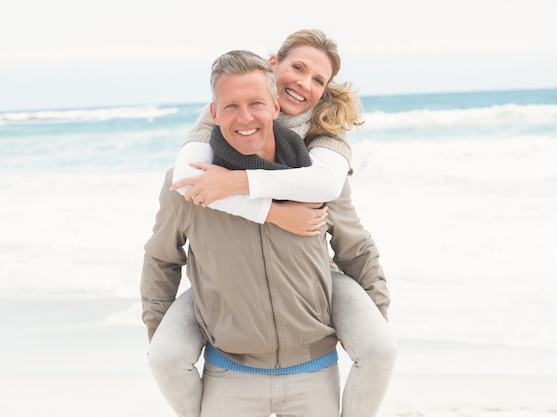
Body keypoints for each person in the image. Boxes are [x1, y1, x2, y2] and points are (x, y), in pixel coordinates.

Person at [148, 29, 396, 417]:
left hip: (312, 367)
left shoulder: (322, 164)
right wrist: (161, 334)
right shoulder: (191, 179)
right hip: (231, 371)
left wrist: (372, 325)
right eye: (232, 106)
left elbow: (356, 247)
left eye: (318, 79)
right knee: (163, 356)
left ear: (275, 106)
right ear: (273, 66)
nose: (246, 117)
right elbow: (161, 259)